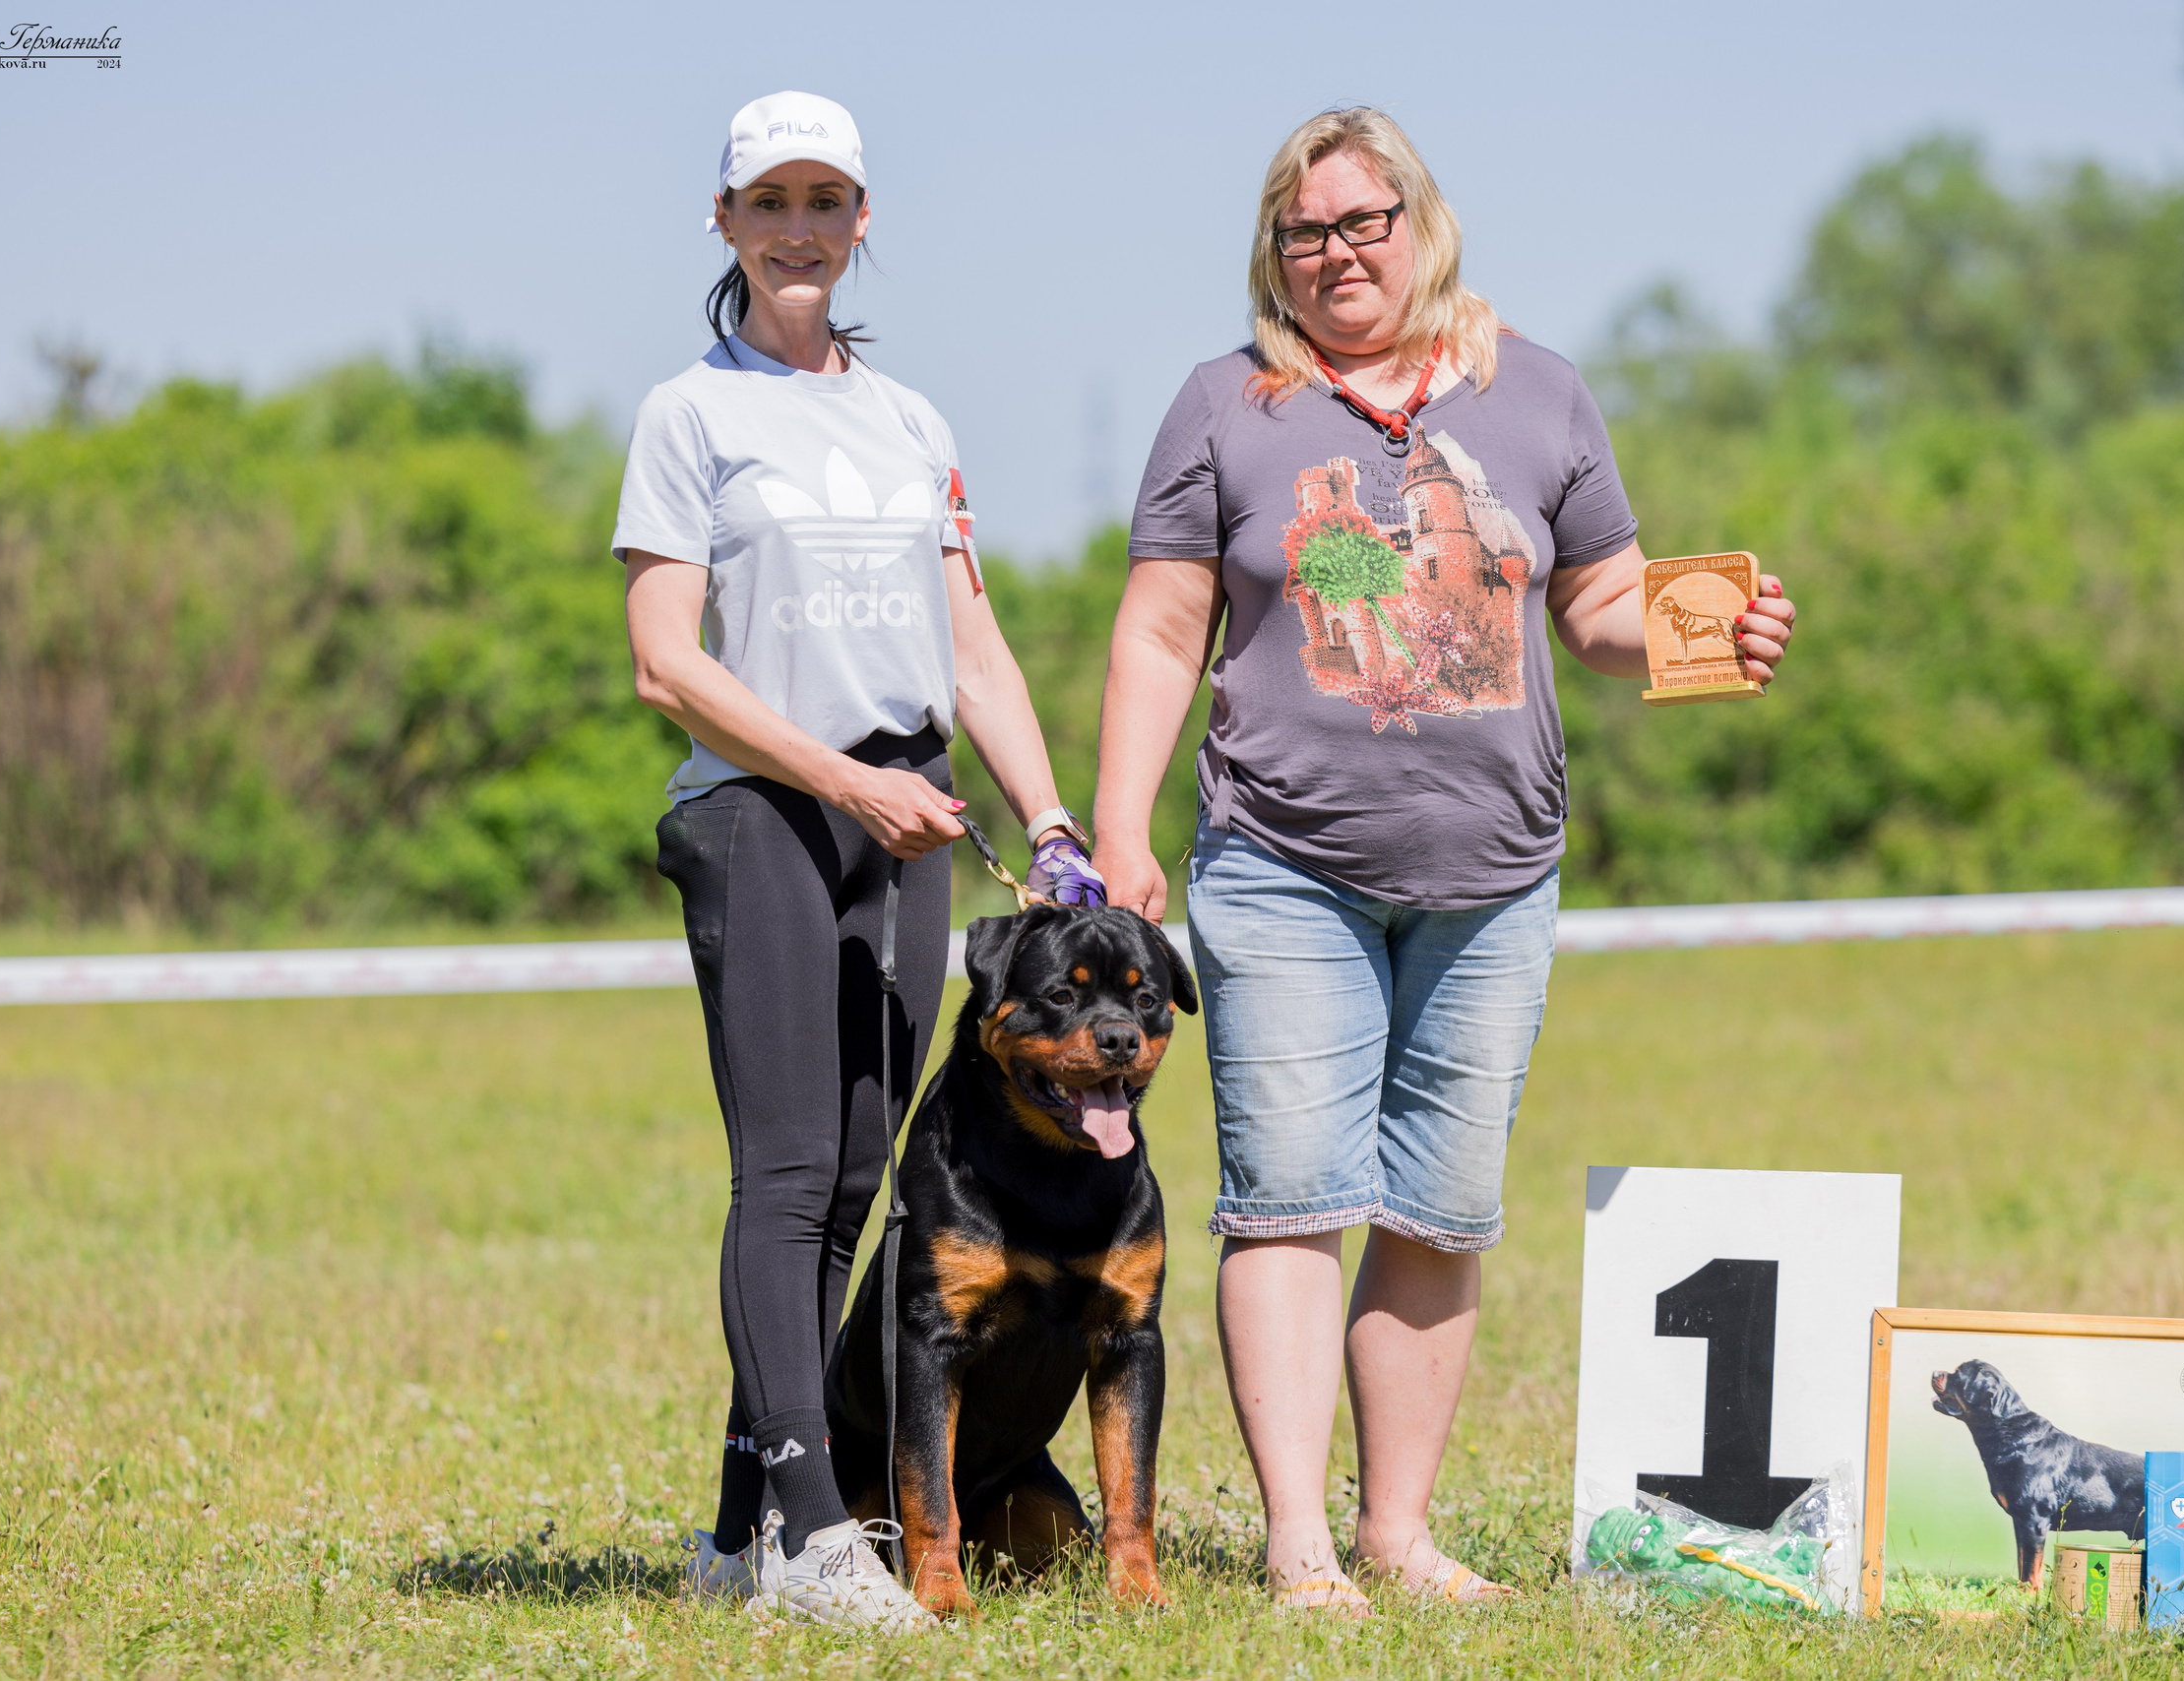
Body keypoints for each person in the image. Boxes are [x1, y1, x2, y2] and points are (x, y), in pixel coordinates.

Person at [1092, 106, 1796, 1614]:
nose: (1339, 253)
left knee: (1440, 1209)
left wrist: (1703, 639)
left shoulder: (1537, 394)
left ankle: (1398, 1535)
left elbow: (1598, 606)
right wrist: (1119, 832)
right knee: (1289, 1197)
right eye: (1306, 231)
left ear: (1423, 223)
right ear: (1273, 253)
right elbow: (1162, 629)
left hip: (1495, 876)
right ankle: (1297, 1546)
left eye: (1365, 223)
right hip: (1282, 861)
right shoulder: (1229, 408)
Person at [615, 90, 1102, 1633]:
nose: (799, 227)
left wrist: (1055, 823)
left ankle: (735, 1527)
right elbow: (661, 664)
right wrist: (837, 781)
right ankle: (824, 1536)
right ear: (726, 224)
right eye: (771, 202)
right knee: (781, 1175)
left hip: (908, 814)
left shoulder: (915, 425)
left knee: (855, 1184)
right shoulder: (687, 415)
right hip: (763, 807)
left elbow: (970, 645)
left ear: (862, 220)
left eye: (826, 200)